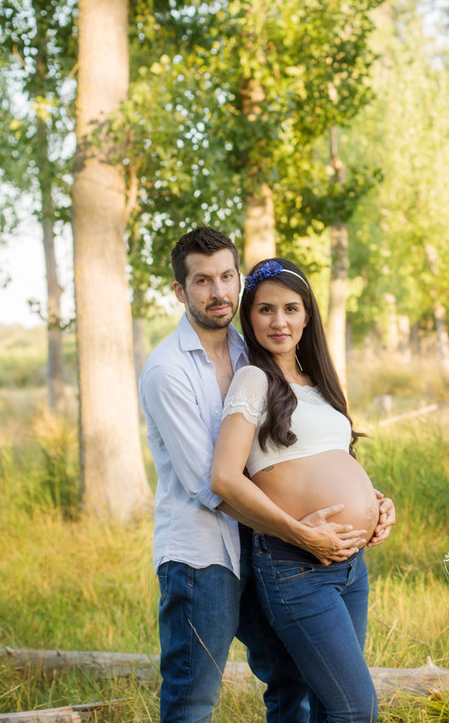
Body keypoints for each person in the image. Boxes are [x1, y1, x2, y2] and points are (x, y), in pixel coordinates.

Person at [139, 228, 394, 723]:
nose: (218, 292)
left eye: (227, 277)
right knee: (194, 695)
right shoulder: (167, 371)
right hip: (206, 554)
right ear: (180, 290)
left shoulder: (249, 351)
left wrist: (368, 503)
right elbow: (212, 483)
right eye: (202, 281)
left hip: (267, 546)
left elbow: (300, 452)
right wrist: (302, 531)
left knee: (293, 679)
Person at [211, 257, 389, 723]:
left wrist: (376, 504)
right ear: (249, 316)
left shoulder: (319, 383)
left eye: (291, 308)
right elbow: (224, 478)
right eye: (265, 309)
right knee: (355, 709)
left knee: (328, 705)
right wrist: (299, 532)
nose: (279, 321)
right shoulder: (254, 379)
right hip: (297, 568)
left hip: (351, 567)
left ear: (307, 315)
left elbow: (333, 459)